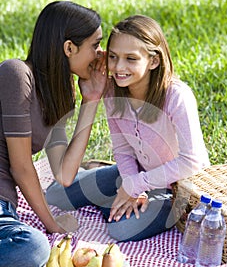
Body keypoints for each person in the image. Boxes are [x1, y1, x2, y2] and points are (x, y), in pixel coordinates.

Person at [46, 15, 210, 242]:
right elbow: (123, 150)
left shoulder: (176, 97)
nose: (119, 67)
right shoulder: (113, 92)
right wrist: (130, 182)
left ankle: (110, 198)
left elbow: (192, 161)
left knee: (121, 229)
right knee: (55, 195)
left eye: (131, 59)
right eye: (113, 57)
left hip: (174, 187)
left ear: (153, 61)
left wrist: (134, 186)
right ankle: (110, 193)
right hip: (134, 172)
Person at [0, 1, 106, 267]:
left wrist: (91, 100)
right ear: (69, 48)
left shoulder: (59, 96)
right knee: (34, 247)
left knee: (30, 248)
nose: (100, 54)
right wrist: (52, 224)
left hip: (5, 212)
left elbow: (64, 173)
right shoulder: (16, 74)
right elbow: (21, 167)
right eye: (95, 45)